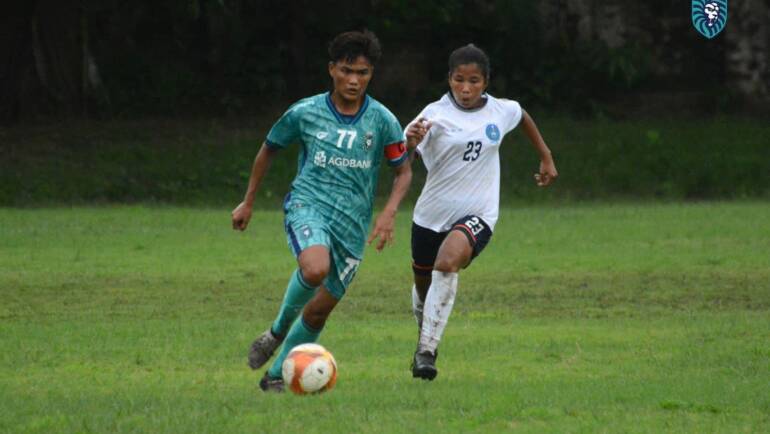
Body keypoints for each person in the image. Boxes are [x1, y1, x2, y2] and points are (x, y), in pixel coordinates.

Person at [231, 30, 411, 392]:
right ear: (332, 70)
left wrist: (389, 212)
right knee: (315, 268)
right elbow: (268, 149)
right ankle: (276, 332)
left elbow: (403, 171)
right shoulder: (306, 111)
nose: (353, 80)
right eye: (346, 71)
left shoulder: (382, 120)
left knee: (317, 311)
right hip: (307, 204)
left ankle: (274, 377)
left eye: (362, 72)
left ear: (370, 74)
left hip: (353, 226)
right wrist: (248, 200)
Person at [403, 44, 558, 380]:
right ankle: (425, 333)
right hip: (430, 215)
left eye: (473, 80)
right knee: (424, 284)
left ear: (485, 82)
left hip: (479, 213)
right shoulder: (433, 114)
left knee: (448, 261)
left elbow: (522, 116)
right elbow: (401, 157)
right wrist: (411, 142)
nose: (466, 88)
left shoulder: (500, 111)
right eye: (459, 80)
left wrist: (545, 155)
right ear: (450, 79)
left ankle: (427, 351)